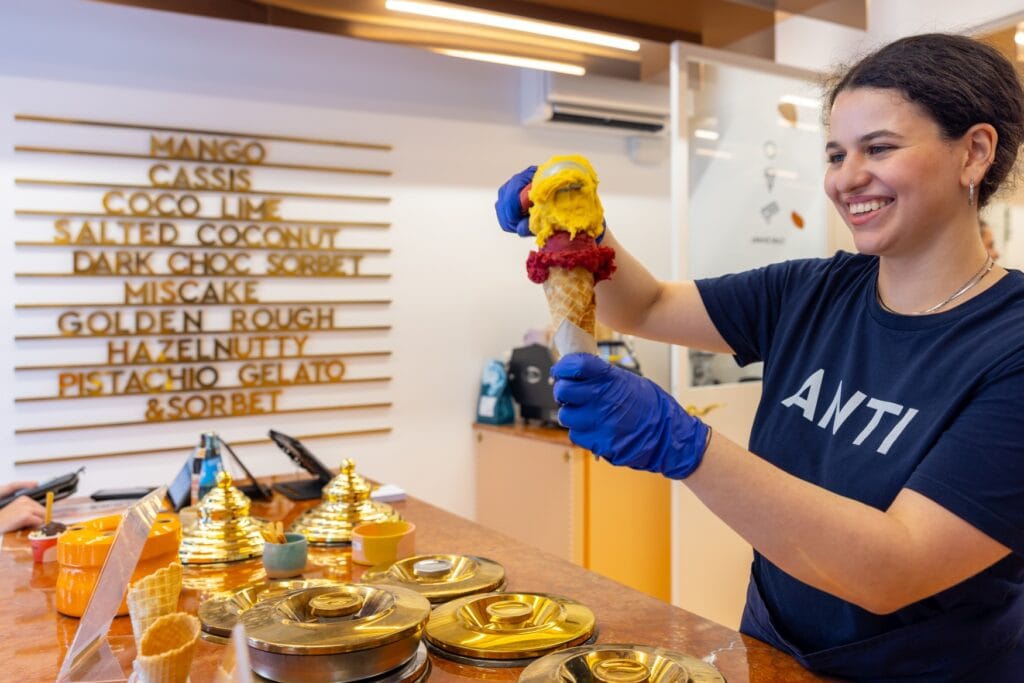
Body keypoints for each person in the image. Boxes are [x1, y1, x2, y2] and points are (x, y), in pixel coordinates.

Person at [495, 33, 1024, 682]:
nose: (846, 178)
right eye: (836, 153)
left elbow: (896, 566)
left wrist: (686, 446)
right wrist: (579, 226)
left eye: (879, 148)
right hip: (770, 656)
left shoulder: (1010, 344)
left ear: (974, 152)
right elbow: (649, 306)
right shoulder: (813, 291)